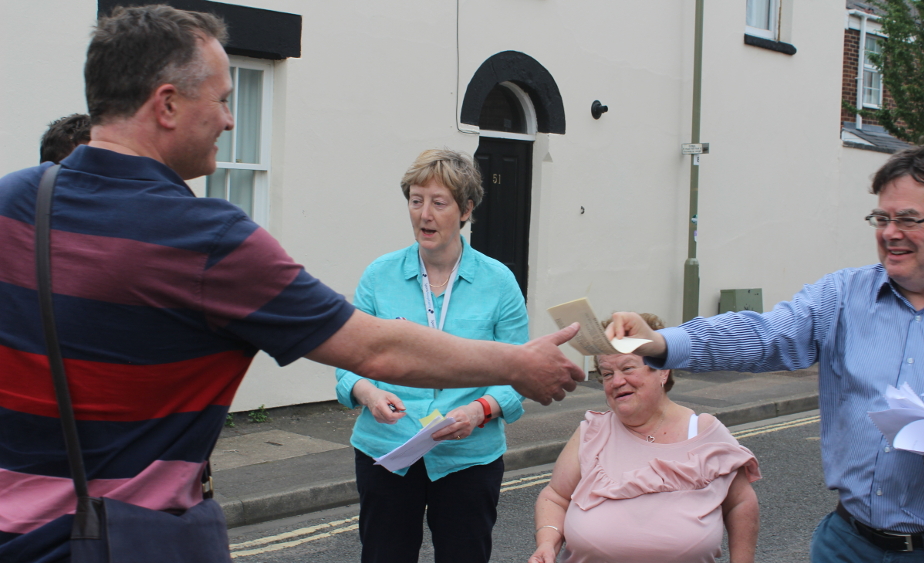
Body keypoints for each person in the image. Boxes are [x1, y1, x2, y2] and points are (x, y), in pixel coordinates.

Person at [0, 7, 583, 563]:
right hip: (129, 539)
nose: (231, 119)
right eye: (224, 101)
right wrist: (516, 364)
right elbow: (373, 349)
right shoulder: (210, 240)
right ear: (167, 104)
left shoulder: (12, 204)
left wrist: (488, 398)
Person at [607, 142, 924, 561]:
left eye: (907, 219)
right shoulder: (843, 295)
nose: (889, 233)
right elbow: (763, 334)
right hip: (847, 544)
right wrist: (663, 343)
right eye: (881, 219)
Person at [336, 148, 528, 562]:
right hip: (386, 451)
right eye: (416, 200)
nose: (424, 214)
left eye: (438, 203)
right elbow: (348, 360)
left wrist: (480, 410)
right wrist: (367, 394)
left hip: (468, 458)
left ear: (466, 209)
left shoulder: (498, 282)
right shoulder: (379, 275)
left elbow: (517, 374)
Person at [529, 313, 760, 563]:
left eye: (628, 368)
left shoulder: (704, 432)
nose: (617, 381)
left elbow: (741, 504)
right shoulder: (592, 432)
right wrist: (547, 544)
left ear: (662, 371)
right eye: (607, 374)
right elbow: (555, 497)